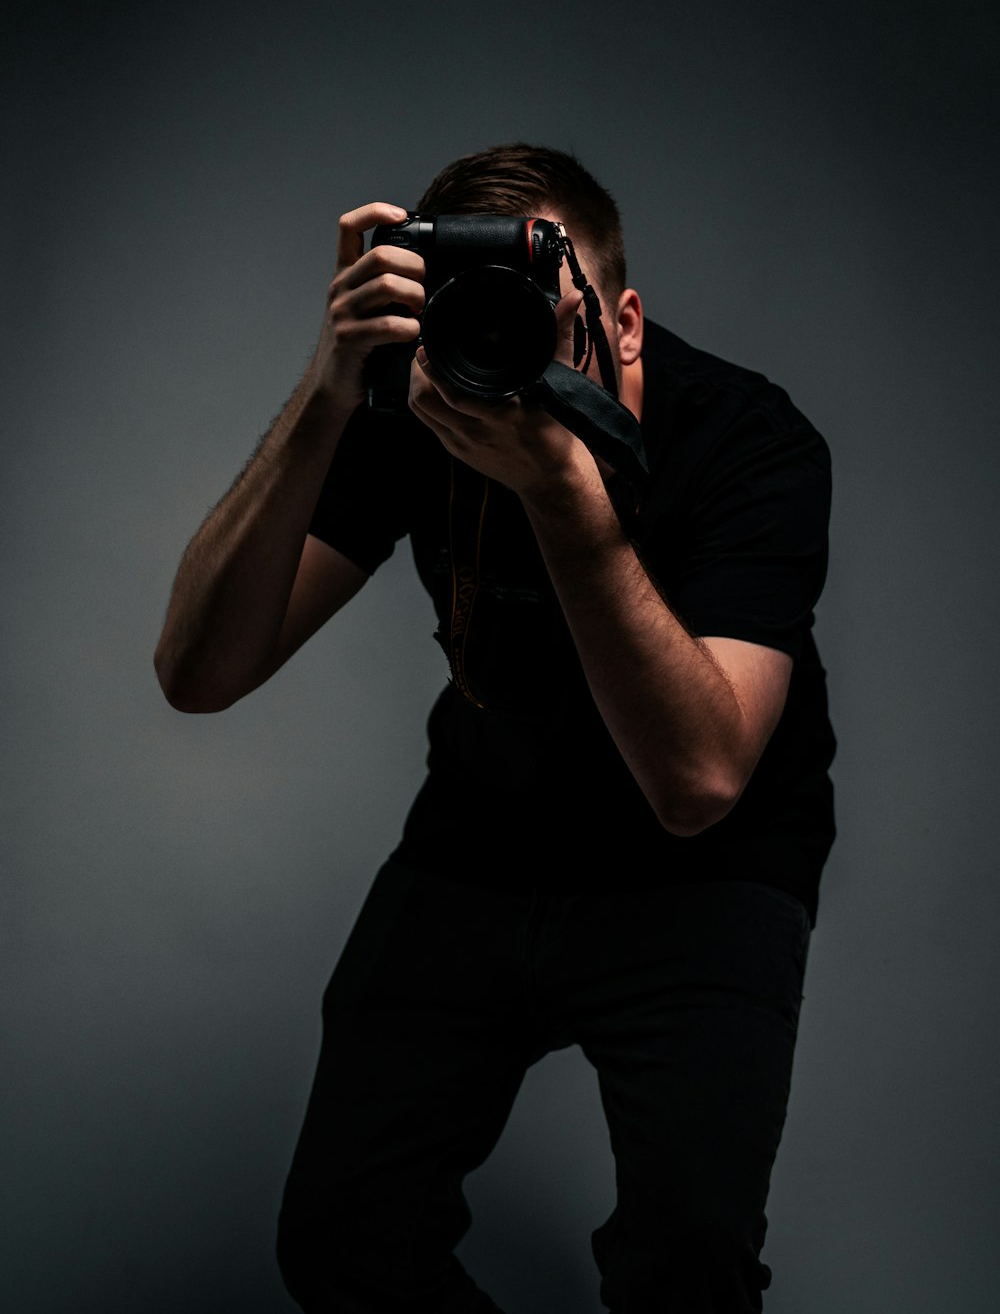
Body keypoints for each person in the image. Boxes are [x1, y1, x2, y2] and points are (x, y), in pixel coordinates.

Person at [154, 143, 835, 1313]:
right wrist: (328, 388)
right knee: (342, 1236)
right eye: (476, 309)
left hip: (703, 871)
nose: (501, 343)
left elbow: (701, 781)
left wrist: (562, 496)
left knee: (687, 1265)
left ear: (621, 323)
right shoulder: (428, 401)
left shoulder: (746, 440)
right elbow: (199, 672)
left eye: (540, 311)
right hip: (481, 838)